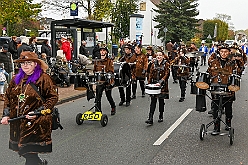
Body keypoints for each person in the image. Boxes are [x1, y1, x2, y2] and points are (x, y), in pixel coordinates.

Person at [1, 51, 58, 165]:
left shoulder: (43, 78)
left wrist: (37, 112)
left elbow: (52, 98)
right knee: (25, 152)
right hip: (17, 122)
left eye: (28, 62)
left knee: (29, 152)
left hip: (35, 122)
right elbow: (8, 97)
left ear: (35, 64)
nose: (25, 65)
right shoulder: (15, 79)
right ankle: (40, 163)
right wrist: (6, 114)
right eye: (23, 63)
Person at [207, 45, 242, 135]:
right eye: (222, 51)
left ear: (229, 53)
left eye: (226, 52)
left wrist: (239, 59)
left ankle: (228, 124)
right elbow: (209, 72)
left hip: (228, 87)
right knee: (215, 108)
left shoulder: (232, 62)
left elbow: (239, 71)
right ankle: (216, 127)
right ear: (219, 52)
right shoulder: (214, 62)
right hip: (216, 87)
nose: (224, 53)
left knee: (228, 108)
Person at [145, 50, 170, 125]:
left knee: (161, 101)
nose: (158, 57)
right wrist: (149, 84)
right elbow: (150, 74)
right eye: (157, 55)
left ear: (163, 56)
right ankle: (150, 118)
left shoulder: (166, 64)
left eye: (160, 55)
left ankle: (161, 115)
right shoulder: (153, 64)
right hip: (154, 83)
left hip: (162, 85)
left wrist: (161, 82)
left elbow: (167, 74)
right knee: (153, 101)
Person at [93, 47, 116, 115]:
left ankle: (113, 107)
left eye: (103, 51)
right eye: (101, 51)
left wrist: (106, 74)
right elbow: (94, 70)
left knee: (108, 96)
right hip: (99, 81)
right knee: (98, 97)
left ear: (106, 52)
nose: (102, 52)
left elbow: (111, 71)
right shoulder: (97, 61)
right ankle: (98, 111)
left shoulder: (109, 61)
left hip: (107, 81)